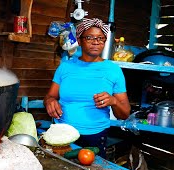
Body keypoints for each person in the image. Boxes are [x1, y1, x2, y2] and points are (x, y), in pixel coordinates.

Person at [43, 18, 131, 158]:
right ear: (79, 39)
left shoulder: (113, 70)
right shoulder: (65, 67)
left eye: (101, 38)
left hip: (95, 137)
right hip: (63, 134)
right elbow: (50, 96)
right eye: (90, 37)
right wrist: (49, 101)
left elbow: (125, 113)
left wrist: (113, 101)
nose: (96, 42)